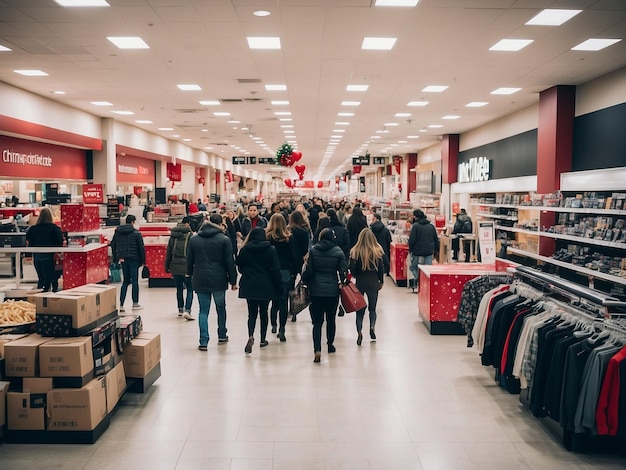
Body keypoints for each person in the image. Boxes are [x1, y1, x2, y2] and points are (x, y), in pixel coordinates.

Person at [187, 213, 238, 351]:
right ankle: (222, 334)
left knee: (203, 311)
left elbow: (189, 260)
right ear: (221, 223)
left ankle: (203, 341)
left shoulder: (194, 239)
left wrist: (189, 274)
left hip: (200, 277)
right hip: (219, 278)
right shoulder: (224, 239)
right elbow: (229, 262)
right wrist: (233, 281)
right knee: (220, 308)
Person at [302, 228, 348, 363]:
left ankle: (317, 349)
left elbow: (309, 272)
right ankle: (330, 344)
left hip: (316, 290)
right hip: (332, 291)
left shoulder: (314, 251)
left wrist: (306, 279)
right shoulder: (338, 252)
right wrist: (342, 283)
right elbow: (343, 272)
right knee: (331, 319)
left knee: (317, 322)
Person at [237, 228, 282, 353]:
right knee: (263, 312)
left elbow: (239, 266)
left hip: (249, 284)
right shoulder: (271, 249)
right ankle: (263, 339)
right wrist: (279, 286)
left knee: (251, 313)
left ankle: (251, 335)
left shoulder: (245, 250)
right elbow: (276, 269)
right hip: (266, 284)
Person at [349, 229, 385, 345]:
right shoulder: (377, 251)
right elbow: (381, 269)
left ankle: (359, 331)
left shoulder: (355, 251)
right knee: (372, 309)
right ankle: (372, 327)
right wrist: (381, 281)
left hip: (360, 283)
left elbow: (353, 271)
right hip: (373, 282)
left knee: (359, 309)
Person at [266, 213, 298, 340]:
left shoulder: (268, 237)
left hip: (272, 271)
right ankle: (282, 329)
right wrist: (295, 271)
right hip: (285, 271)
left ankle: (273, 324)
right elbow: (292, 255)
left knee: (274, 301)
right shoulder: (289, 237)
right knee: (283, 301)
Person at [111, 214, 146, 311]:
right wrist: (143, 261)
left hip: (123, 259)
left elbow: (113, 245)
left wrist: (116, 258)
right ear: (133, 222)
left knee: (125, 281)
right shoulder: (136, 233)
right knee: (135, 281)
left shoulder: (118, 232)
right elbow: (141, 248)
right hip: (134, 259)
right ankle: (135, 303)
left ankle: (121, 304)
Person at [25, 207, 64, 292]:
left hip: (37, 256)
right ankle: (53, 296)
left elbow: (29, 242)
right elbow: (59, 241)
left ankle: (41, 296)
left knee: (42, 278)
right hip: (50, 256)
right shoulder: (54, 228)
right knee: (53, 278)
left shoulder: (33, 229)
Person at [164, 216, 195, 320]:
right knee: (190, 289)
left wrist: (167, 266)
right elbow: (192, 253)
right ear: (187, 224)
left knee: (179, 289)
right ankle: (188, 310)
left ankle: (180, 309)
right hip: (186, 266)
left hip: (175, 266)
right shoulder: (190, 235)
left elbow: (168, 252)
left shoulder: (173, 236)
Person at [407, 209, 439, 293]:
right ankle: (427, 285)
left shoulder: (415, 226)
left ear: (415, 217)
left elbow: (412, 240)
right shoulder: (431, 226)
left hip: (417, 251)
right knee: (428, 270)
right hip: (429, 251)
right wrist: (436, 250)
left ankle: (419, 279)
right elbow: (436, 239)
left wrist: (410, 249)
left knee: (413, 267)